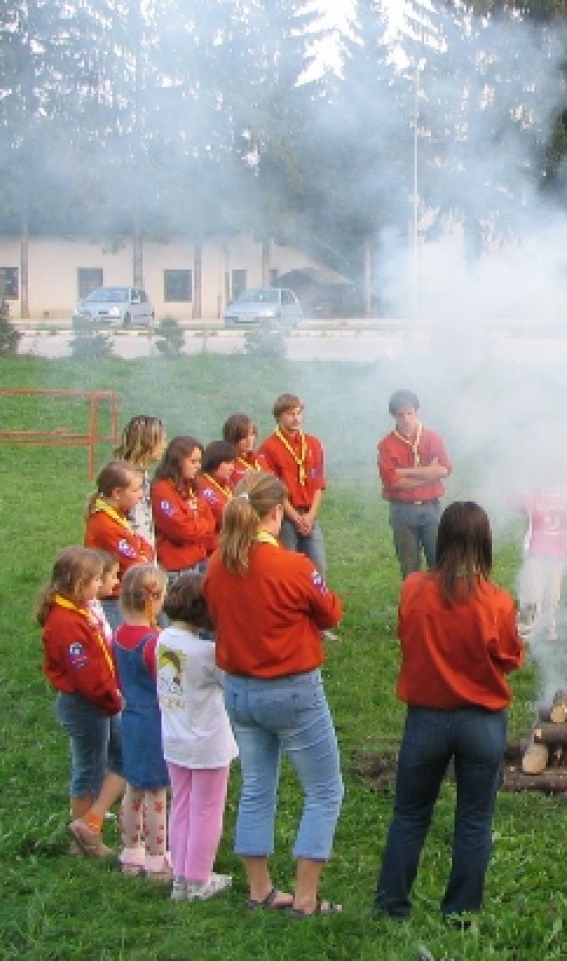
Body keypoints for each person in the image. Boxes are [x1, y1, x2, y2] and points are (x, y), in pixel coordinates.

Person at [376, 501, 525, 922]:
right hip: (480, 722)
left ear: (441, 539)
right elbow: (510, 657)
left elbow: (406, 635)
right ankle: (460, 911)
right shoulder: (496, 601)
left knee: (409, 814)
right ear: (485, 544)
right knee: (474, 820)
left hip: (426, 718)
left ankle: (391, 905)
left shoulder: (414, 588)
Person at [204, 471, 344, 917]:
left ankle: (260, 889)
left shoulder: (217, 563)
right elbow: (330, 613)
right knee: (324, 790)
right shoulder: (292, 566)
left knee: (257, 788)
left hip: (240, 691)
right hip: (291, 690)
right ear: (275, 512)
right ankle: (305, 899)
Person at [38, 547, 125, 860]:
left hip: (102, 698)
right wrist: (113, 699)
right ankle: (86, 839)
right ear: (78, 583)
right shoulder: (66, 624)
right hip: (87, 703)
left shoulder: (80, 610)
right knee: (90, 768)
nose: (101, 584)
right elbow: (85, 674)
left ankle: (91, 822)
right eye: (96, 580)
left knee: (122, 756)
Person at [158, 571, 238, 901]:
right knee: (207, 809)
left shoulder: (163, 640)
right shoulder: (206, 653)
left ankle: (180, 876)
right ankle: (199, 878)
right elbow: (230, 681)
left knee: (182, 806)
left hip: (174, 740)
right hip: (207, 744)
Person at [112, 564, 172, 880]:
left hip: (130, 716)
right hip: (155, 721)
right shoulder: (153, 643)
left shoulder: (119, 635)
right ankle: (157, 856)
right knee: (156, 791)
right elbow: (170, 680)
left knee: (133, 786)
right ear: (155, 599)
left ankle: (130, 849)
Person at [376, 389, 453, 577]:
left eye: (410, 413)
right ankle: (414, 604)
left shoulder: (432, 438)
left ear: (416, 412)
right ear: (394, 416)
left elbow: (445, 469)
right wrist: (430, 474)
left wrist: (406, 472)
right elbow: (392, 482)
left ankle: (440, 604)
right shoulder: (386, 445)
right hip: (402, 510)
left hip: (431, 507)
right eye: (400, 415)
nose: (406, 419)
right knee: (409, 565)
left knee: (438, 560)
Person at [257, 393, 328, 573]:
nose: (296, 419)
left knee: (317, 567)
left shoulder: (313, 443)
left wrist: (310, 516)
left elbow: (318, 483)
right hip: (285, 516)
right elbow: (274, 489)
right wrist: (295, 518)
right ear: (279, 417)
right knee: (289, 566)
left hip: (310, 514)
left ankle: (316, 600)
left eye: (298, 413)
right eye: (290, 414)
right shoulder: (269, 448)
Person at [84, 461, 157, 629]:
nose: (140, 495)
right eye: (136, 490)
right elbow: (137, 565)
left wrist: (142, 551)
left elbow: (145, 545)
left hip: (122, 595)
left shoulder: (118, 515)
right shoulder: (106, 525)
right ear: (117, 493)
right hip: (113, 600)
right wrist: (142, 553)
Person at [516, 486, 567, 642]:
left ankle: (547, 631)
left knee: (552, 597)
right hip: (535, 553)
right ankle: (524, 632)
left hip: (557, 555)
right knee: (532, 594)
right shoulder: (533, 495)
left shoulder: (566, 497)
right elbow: (513, 502)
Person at [150, 436, 217, 575]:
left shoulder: (191, 485)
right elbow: (181, 531)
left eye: (199, 461)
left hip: (199, 559)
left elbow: (211, 522)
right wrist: (198, 520)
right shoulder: (162, 490)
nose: (198, 466)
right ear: (177, 462)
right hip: (177, 568)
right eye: (193, 461)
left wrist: (195, 521)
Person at [114, 415, 166, 548]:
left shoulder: (143, 474)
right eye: (161, 441)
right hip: (131, 557)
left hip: (144, 553)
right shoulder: (123, 477)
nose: (165, 446)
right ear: (147, 442)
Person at [197, 440, 237, 534]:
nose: (232, 467)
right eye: (228, 463)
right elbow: (222, 514)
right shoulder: (202, 485)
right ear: (215, 461)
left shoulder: (226, 482)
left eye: (233, 463)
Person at [222, 413, 262, 488]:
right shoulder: (228, 465)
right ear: (232, 438)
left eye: (252, 434)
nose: (249, 440)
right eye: (244, 437)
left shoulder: (260, 459)